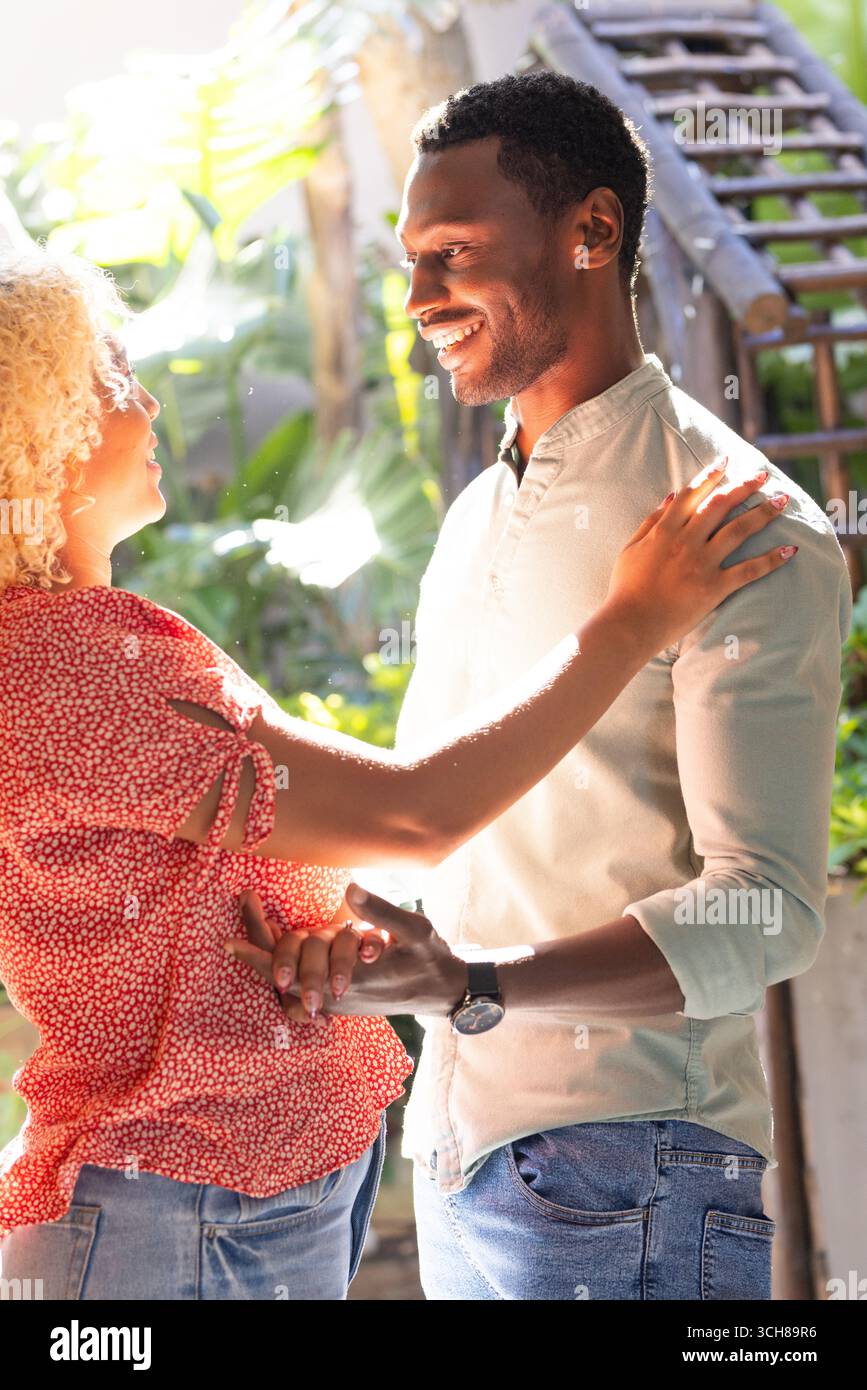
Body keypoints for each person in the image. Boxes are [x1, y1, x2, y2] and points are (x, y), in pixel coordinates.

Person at [0, 247, 787, 1301]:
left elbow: (184, 883)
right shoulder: (78, 660)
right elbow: (414, 814)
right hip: (177, 1208)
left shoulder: (56, 647)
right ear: (34, 434)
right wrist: (634, 618)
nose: (146, 405)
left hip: (204, 1198)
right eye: (111, 383)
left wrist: (318, 930)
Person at [231, 72, 852, 1302]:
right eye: (410, 260)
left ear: (593, 233)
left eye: (454, 254)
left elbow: (768, 908)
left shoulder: (737, 524)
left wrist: (479, 986)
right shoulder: (477, 515)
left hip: (634, 1170)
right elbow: (446, 829)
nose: (417, 300)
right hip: (466, 1158)